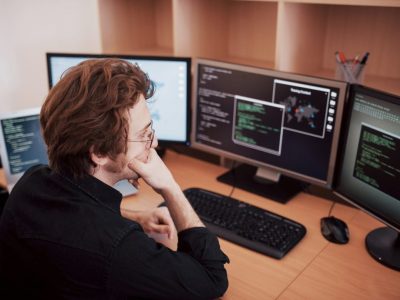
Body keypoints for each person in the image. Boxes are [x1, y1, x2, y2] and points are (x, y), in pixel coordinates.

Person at [0, 59, 229, 299]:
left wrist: (137, 218)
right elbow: (212, 279)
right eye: (145, 135)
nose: (156, 143)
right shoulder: (118, 251)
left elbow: (74, 220)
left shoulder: (31, 182)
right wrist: (169, 186)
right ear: (99, 153)